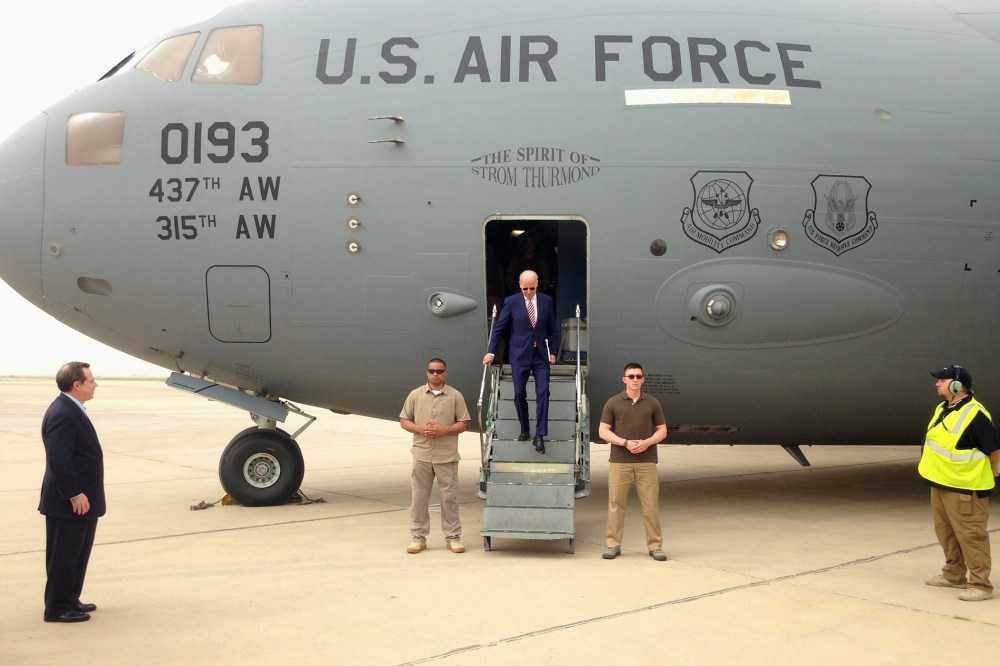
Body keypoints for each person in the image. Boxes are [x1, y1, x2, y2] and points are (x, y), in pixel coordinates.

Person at [919, 364, 1000, 601]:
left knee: (971, 536)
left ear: (957, 385)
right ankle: (953, 574)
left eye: (941, 380)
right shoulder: (943, 408)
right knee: (946, 533)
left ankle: (980, 585)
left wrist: (996, 470)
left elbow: (993, 449)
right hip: (941, 483)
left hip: (967, 487)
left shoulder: (975, 414)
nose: (937, 383)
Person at [39, 362, 106, 623]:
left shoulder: (72, 409)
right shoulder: (62, 413)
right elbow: (59, 460)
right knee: (63, 557)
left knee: (77, 554)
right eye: (91, 381)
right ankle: (57, 608)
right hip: (69, 502)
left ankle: (70, 599)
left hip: (83, 500)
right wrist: (74, 494)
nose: (95, 384)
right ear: (76, 385)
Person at [399, 358, 471, 554]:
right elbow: (404, 420)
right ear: (427, 372)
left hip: (446, 456)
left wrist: (444, 430)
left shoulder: (455, 396)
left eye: (439, 371)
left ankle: (453, 538)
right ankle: (418, 538)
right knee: (419, 498)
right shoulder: (415, 395)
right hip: (421, 455)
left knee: (449, 498)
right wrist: (419, 428)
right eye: (432, 371)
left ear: (445, 373)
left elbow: (464, 423)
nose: (435, 374)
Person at [482, 270, 559, 454]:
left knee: (543, 393)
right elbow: (499, 329)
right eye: (525, 289)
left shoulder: (546, 301)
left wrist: (553, 352)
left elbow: (552, 329)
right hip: (519, 354)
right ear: (520, 285)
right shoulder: (512, 301)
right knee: (519, 394)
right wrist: (491, 351)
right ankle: (525, 428)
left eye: (532, 288)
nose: (529, 292)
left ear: (537, 284)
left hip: (540, 355)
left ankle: (540, 435)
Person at [598, 363, 668, 561]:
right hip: (620, 460)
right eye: (631, 376)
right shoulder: (613, 402)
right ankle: (613, 545)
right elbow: (603, 431)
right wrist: (625, 443)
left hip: (647, 461)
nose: (635, 379)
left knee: (651, 505)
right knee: (615, 503)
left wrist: (646, 443)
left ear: (643, 379)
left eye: (638, 376)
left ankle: (655, 547)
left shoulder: (653, 403)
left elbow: (662, 430)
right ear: (624, 379)